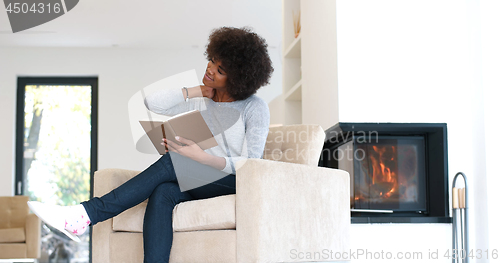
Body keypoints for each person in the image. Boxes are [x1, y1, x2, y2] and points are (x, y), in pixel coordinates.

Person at [27, 26, 273, 262]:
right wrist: (196, 91)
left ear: (238, 79)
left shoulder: (254, 107)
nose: (210, 69)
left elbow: (252, 163)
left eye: (220, 70)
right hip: (200, 178)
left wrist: (201, 157)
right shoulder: (205, 97)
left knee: (175, 161)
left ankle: (86, 214)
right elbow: (153, 103)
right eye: (212, 60)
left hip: (233, 182)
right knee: (163, 192)